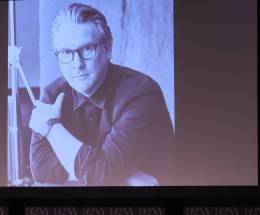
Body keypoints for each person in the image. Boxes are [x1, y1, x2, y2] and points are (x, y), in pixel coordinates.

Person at [29, 3, 175, 187]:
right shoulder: (53, 94)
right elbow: (41, 169)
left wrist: (51, 127)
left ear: (108, 49)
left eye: (88, 49)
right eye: (66, 52)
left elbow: (99, 173)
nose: (77, 64)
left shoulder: (142, 93)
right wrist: (121, 175)